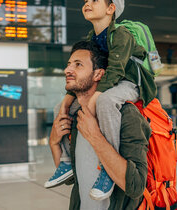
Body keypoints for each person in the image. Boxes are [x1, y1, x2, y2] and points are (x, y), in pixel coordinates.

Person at [45, 0, 156, 201]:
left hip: (132, 82)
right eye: (86, 1)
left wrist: (95, 98)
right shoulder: (92, 37)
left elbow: (115, 69)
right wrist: (67, 102)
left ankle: (107, 168)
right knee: (60, 107)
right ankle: (65, 163)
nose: (87, 3)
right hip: (112, 83)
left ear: (110, 8)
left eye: (94, 0)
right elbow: (95, 71)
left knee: (105, 102)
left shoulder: (122, 35)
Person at [49, 40, 151, 209]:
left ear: (98, 75)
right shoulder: (75, 116)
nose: (68, 70)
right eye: (68, 65)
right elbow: (72, 179)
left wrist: (95, 136)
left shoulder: (125, 115)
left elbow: (135, 186)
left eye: (78, 65)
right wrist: (53, 142)